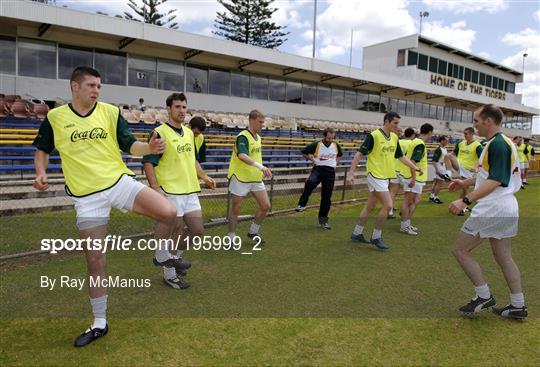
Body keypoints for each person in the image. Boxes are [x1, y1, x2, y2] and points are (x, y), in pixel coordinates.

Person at [32, 66, 177, 347]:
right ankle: (100, 322)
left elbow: (130, 145)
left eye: (99, 86)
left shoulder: (110, 112)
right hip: (86, 197)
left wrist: (149, 149)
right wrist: (41, 172)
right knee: (95, 261)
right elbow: (42, 150)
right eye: (91, 85)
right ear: (74, 86)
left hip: (117, 182)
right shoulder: (55, 117)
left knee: (169, 211)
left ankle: (160, 255)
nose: (96, 90)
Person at [448, 104, 527, 319]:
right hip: (505, 206)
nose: (474, 125)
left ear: (488, 121)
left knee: (460, 250)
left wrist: (465, 200)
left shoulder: (498, 144)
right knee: (503, 256)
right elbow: (488, 174)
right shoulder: (499, 143)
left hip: (493, 207)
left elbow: (495, 180)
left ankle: (483, 295)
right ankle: (518, 304)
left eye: (476, 121)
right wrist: (464, 181)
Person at [143, 93, 216, 290]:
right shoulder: (159, 132)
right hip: (171, 190)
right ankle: (169, 273)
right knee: (175, 231)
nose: (182, 111)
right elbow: (148, 162)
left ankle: (173, 259)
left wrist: (204, 177)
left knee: (198, 231)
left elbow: (192, 160)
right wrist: (155, 188)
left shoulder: (190, 133)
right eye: (177, 107)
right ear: (168, 109)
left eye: (184, 107)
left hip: (190, 190)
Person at [346, 112, 421, 251]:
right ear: (387, 121)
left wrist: (414, 167)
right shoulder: (374, 135)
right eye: (395, 123)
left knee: (370, 206)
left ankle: (357, 233)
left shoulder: (394, 137)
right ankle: (376, 236)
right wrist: (351, 173)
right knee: (388, 205)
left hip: (384, 177)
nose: (398, 127)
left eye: (399, 123)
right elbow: (359, 154)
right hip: (375, 175)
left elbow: (401, 157)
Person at [227, 110, 272, 243]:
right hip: (240, 178)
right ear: (251, 120)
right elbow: (242, 155)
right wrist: (261, 167)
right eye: (260, 122)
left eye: (263, 122)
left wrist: (260, 170)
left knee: (265, 206)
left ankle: (253, 232)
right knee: (236, 208)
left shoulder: (258, 137)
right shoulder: (242, 137)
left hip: (255, 178)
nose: (262, 125)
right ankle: (231, 237)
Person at [295, 128, 343, 229]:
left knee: (326, 197)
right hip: (318, 169)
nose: (331, 140)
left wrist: (335, 164)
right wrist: (311, 158)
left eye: (332, 138)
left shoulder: (336, 145)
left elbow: (339, 155)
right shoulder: (317, 144)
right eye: (329, 138)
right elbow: (304, 152)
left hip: (330, 172)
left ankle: (323, 221)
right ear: (325, 136)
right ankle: (302, 204)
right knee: (310, 182)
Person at [399, 123, 434, 235]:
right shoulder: (419, 143)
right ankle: (404, 225)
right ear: (429, 132)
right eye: (431, 133)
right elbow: (413, 162)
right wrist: (413, 178)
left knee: (414, 200)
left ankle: (407, 223)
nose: (431, 136)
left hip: (415, 176)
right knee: (409, 201)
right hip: (413, 177)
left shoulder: (416, 141)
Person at [447, 127, 483, 214]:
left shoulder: (477, 145)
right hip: (460, 166)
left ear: (471, 134)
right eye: (464, 133)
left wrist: (476, 167)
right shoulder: (460, 143)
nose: (464, 135)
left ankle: (462, 207)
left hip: (469, 170)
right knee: (449, 156)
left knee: (464, 189)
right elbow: (453, 154)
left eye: (466, 133)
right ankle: (447, 174)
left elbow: (481, 159)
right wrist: (445, 161)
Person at [388, 127, 415, 219]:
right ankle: (404, 212)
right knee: (408, 194)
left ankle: (389, 212)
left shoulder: (398, 141)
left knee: (392, 191)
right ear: (413, 135)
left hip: (395, 169)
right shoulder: (413, 144)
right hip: (406, 171)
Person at [429, 135, 452, 204]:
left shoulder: (444, 148)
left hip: (442, 167)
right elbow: (433, 161)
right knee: (439, 183)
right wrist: (437, 170)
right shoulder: (439, 149)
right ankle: (435, 197)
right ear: (442, 141)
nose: (447, 142)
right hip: (440, 168)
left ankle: (432, 196)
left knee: (436, 182)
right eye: (445, 140)